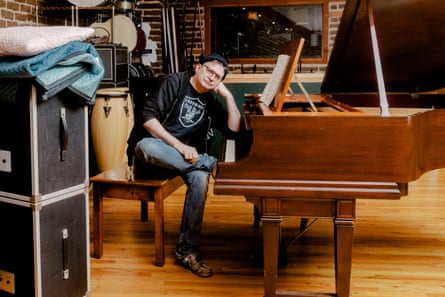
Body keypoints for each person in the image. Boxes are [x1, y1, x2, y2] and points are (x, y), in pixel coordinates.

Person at [130, 53, 242, 277]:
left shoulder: (211, 99)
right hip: (156, 156)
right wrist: (179, 147)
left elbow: (233, 129)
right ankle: (210, 163)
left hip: (187, 163)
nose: (212, 78)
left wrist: (228, 97)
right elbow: (148, 119)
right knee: (145, 145)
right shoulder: (174, 82)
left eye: (218, 77)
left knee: (200, 178)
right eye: (209, 71)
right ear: (198, 67)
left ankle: (187, 252)